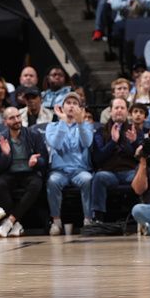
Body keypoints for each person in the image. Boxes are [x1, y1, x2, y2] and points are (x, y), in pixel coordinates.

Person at [0, 107, 47, 237]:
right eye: (12, 118)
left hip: (29, 172)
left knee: (36, 184)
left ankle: (10, 221)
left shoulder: (34, 135)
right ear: (5, 122)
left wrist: (36, 161)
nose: (17, 120)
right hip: (10, 172)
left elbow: (44, 160)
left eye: (18, 116)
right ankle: (16, 225)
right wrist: (5, 155)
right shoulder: (0, 139)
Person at [45, 92, 94, 235]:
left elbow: (87, 143)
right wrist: (63, 121)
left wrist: (80, 123)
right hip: (59, 171)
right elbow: (56, 144)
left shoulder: (86, 126)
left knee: (88, 179)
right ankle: (56, 222)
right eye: (68, 103)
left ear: (80, 108)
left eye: (75, 103)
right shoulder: (52, 126)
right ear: (62, 107)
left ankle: (88, 220)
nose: (71, 106)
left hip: (79, 170)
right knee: (52, 181)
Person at [91, 98, 141, 222]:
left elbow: (142, 157)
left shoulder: (135, 131)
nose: (119, 110)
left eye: (122, 108)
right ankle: (98, 218)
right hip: (109, 173)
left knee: (142, 175)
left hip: (129, 171)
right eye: (116, 108)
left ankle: (143, 215)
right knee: (99, 177)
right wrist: (113, 142)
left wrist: (134, 143)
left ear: (127, 112)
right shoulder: (100, 132)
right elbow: (98, 158)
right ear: (110, 111)